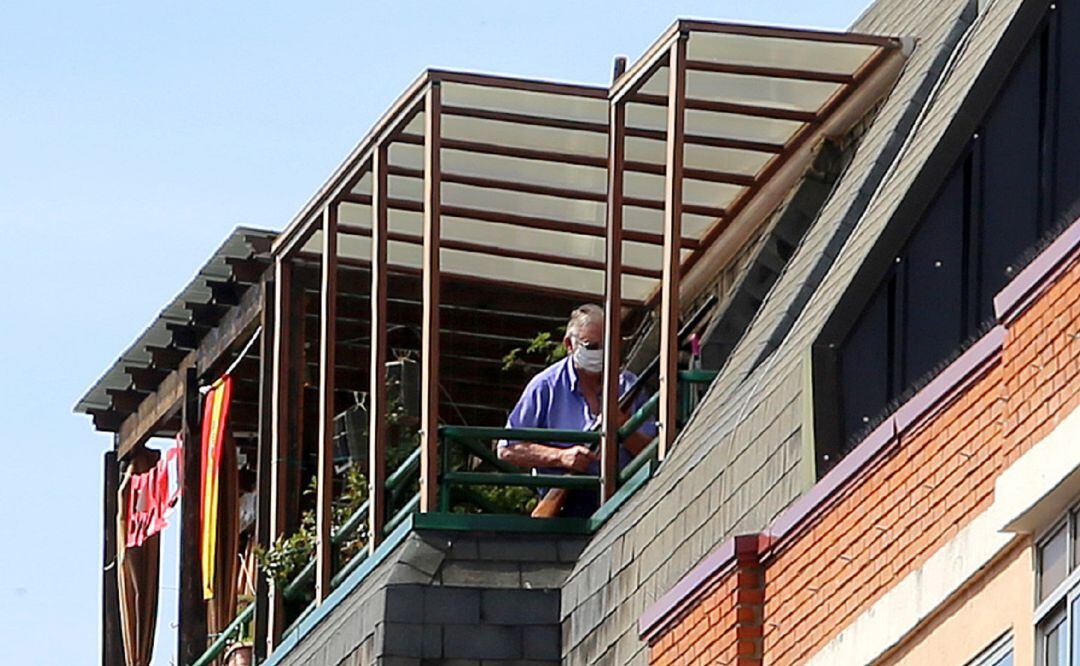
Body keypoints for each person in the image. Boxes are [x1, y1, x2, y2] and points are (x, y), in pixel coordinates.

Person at [497, 304, 657, 517]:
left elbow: (653, 450)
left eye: (607, 345)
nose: (600, 353)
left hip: (627, 499)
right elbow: (507, 448)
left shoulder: (630, 386)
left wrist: (624, 427)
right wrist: (561, 457)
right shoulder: (545, 386)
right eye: (591, 346)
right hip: (568, 507)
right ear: (569, 345)